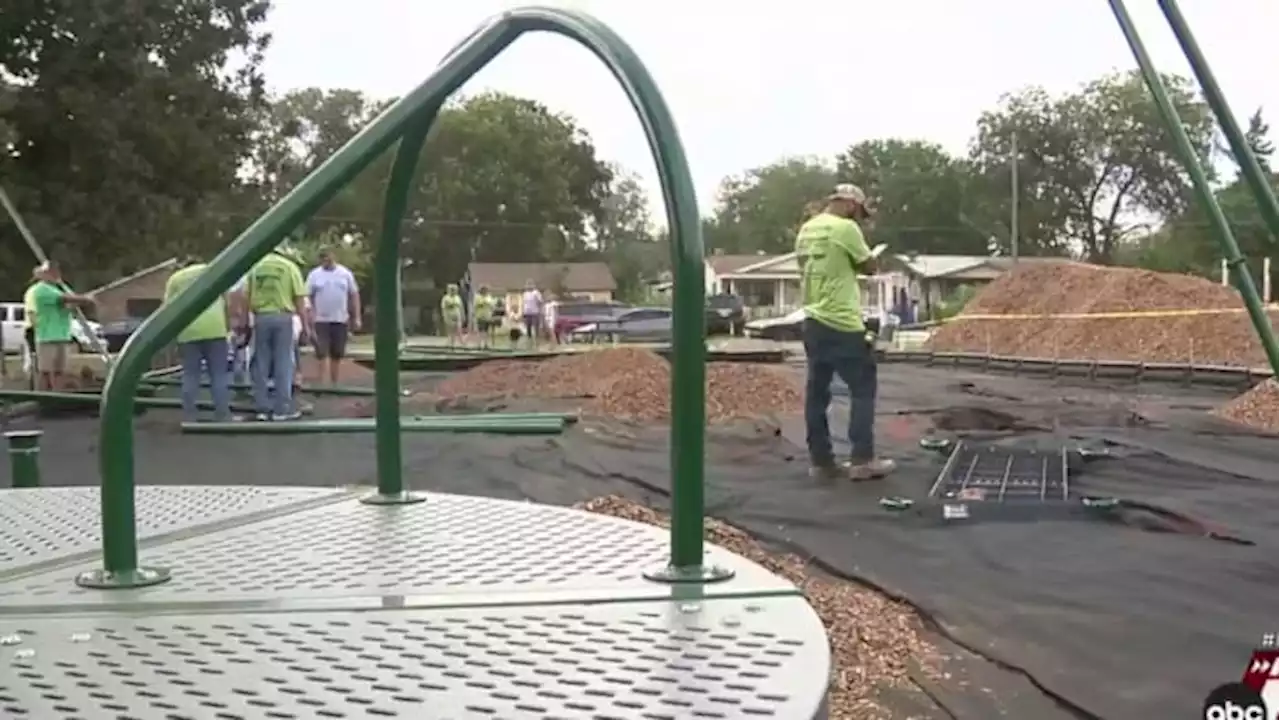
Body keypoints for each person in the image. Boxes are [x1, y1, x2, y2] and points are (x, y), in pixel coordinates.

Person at [795, 183, 896, 481]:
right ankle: (862, 459)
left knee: (817, 394)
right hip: (842, 322)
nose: (859, 219)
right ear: (852, 204)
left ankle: (821, 462)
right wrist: (872, 258)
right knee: (863, 389)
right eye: (859, 212)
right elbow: (869, 267)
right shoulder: (846, 229)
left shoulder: (806, 230)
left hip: (813, 321)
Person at [163, 257, 232, 422]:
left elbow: (168, 309)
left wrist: (171, 337)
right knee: (218, 374)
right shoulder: (214, 270)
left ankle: (189, 416)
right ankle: (222, 414)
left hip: (188, 330)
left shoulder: (176, 278)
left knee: (190, 374)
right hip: (215, 328)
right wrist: (228, 325)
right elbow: (227, 300)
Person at [244, 249, 309, 421]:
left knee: (261, 362)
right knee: (283, 362)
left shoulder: (256, 268)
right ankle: (282, 409)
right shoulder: (289, 267)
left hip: (261, 317)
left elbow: (247, 296)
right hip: (283, 317)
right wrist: (306, 326)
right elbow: (299, 299)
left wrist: (245, 321)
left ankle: (262, 408)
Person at [30, 262, 95, 391]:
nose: (54, 274)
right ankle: (41, 397)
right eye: (50, 272)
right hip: (47, 336)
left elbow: (71, 305)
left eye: (55, 271)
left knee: (60, 371)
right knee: (46, 371)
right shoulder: (41, 289)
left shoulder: (57, 288)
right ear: (43, 275)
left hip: (62, 335)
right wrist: (87, 298)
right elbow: (66, 299)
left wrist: (82, 301)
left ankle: (57, 395)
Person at [305, 248, 360, 385]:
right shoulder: (314, 275)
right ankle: (321, 384)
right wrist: (309, 314)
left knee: (337, 352)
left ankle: (334, 383)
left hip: (340, 319)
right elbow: (307, 296)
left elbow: (354, 295)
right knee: (321, 351)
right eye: (323, 258)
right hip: (320, 320)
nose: (326, 261)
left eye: (328, 258)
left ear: (334, 257)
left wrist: (357, 317)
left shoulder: (345, 274)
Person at [21, 265, 44, 383]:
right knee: (33, 358)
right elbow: (31, 312)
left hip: (40, 328)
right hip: (33, 329)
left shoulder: (45, 291)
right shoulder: (33, 292)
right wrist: (39, 329)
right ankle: (33, 383)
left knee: (40, 359)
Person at [520, 280, 543, 349]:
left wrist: (540, 311)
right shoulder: (525, 293)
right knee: (528, 328)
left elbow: (540, 302)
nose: (529, 286)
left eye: (530, 284)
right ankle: (529, 344)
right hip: (527, 313)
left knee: (536, 329)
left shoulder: (536, 293)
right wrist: (522, 312)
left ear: (533, 285)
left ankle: (537, 344)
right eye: (528, 284)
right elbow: (524, 304)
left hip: (535, 313)